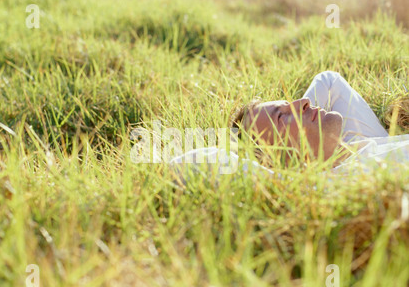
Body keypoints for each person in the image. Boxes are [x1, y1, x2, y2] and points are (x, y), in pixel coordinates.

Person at [169, 71, 409, 177]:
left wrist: (309, 126)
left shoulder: (354, 147)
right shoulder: (336, 185)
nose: (303, 101)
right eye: (281, 117)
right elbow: (188, 162)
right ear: (283, 162)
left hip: (341, 152)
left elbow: (329, 81)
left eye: (287, 103)